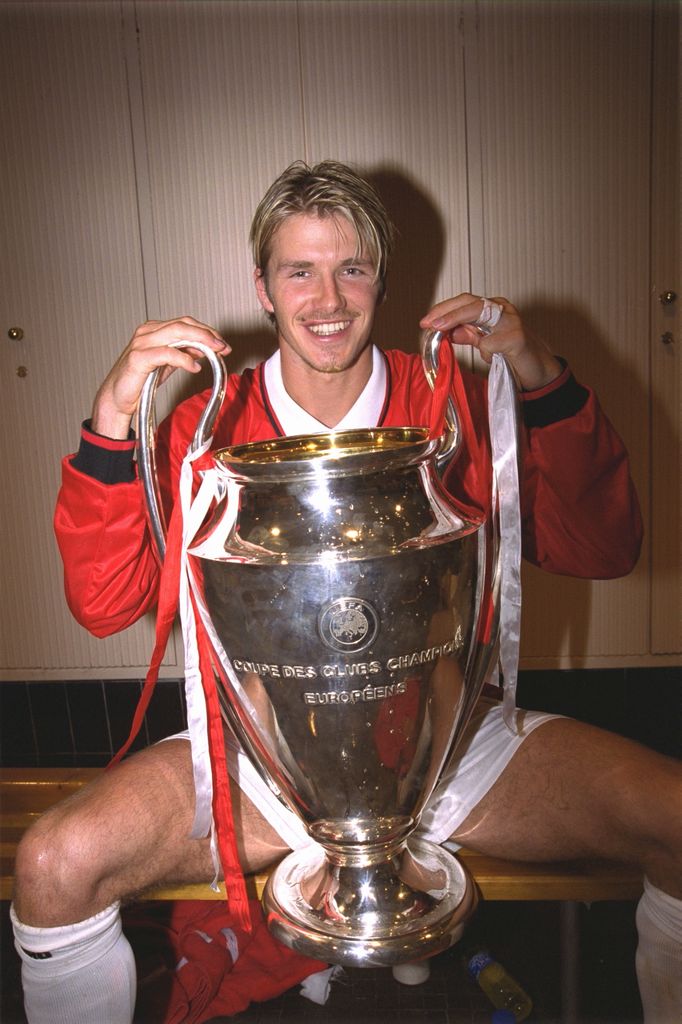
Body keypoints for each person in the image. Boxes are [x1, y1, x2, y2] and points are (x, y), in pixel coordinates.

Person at [11, 161, 681, 1024]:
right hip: (262, 760)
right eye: (300, 271)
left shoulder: (449, 404)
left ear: (382, 279)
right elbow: (105, 601)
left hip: (446, 745)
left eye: (352, 268)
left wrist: (533, 366)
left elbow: (601, 546)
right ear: (263, 286)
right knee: (55, 865)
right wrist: (113, 415)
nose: (327, 298)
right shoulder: (208, 426)